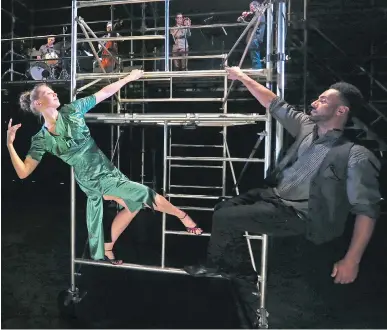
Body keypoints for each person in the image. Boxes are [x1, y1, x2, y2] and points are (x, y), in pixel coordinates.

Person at [184, 66, 381, 327]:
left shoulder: (355, 154)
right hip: (274, 195)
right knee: (224, 208)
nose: (314, 102)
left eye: (323, 100)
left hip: (300, 215)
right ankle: (237, 266)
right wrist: (241, 77)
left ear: (341, 110)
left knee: (227, 217)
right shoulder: (307, 127)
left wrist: (351, 260)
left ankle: (231, 269)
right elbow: (275, 103)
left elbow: (366, 210)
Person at [6, 69, 203, 265]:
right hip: (89, 179)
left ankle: (108, 246)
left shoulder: (72, 110)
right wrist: (9, 145)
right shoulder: (40, 139)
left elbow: (104, 93)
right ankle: (183, 216)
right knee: (143, 193)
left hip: (105, 169)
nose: (55, 93)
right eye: (49, 93)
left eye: (53, 91)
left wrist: (129, 78)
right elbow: (23, 172)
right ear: (39, 103)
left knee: (132, 205)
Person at [238, 1, 266, 69]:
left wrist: (243, 21)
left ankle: (257, 69)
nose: (250, 9)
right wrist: (244, 17)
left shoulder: (259, 14)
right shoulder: (257, 15)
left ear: (256, 6)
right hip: (254, 38)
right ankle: (256, 68)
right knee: (254, 55)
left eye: (251, 7)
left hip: (255, 38)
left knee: (255, 55)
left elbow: (252, 24)